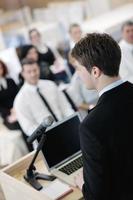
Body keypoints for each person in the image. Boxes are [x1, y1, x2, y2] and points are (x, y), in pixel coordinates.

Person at [71, 33, 133, 199]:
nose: (78, 74)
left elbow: (96, 196)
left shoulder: (91, 126)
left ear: (95, 71)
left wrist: (82, 183)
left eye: (78, 68)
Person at [14, 59, 74, 137]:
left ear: (39, 69)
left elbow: (65, 107)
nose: (33, 74)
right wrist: (48, 133)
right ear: (22, 73)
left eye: (35, 70)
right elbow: (28, 127)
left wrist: (72, 123)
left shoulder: (50, 85)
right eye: (29, 72)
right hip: (45, 137)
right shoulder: (20, 100)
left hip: (66, 127)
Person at [0, 60, 19, 130]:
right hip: (7, 114)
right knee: (16, 124)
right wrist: (10, 111)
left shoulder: (10, 81)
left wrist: (16, 107)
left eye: (1, 68)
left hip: (18, 107)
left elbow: (18, 95)